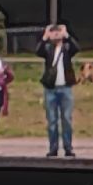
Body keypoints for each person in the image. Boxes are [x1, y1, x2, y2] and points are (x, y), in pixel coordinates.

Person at [38, 23, 78, 157]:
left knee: (67, 119)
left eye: (58, 31)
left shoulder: (67, 48)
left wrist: (67, 35)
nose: (56, 34)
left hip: (65, 88)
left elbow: (76, 48)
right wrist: (45, 37)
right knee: (52, 121)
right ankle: (53, 148)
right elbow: (38, 51)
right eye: (53, 32)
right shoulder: (48, 48)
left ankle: (68, 147)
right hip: (51, 89)